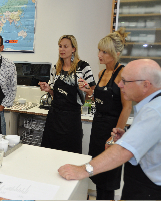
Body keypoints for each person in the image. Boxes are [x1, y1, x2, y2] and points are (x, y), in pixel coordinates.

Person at [58, 59, 161, 200]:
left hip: (150, 189)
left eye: (125, 81)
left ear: (145, 85)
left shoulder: (154, 111)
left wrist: (83, 170)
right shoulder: (152, 105)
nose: (119, 85)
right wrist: (129, 136)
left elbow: (124, 151)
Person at [78, 28, 132, 200]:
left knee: (109, 177)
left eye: (104, 52)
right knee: (98, 172)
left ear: (115, 53)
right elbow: (98, 100)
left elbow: (127, 107)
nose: (99, 55)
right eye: (99, 50)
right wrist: (88, 91)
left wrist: (115, 135)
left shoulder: (122, 74)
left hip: (112, 130)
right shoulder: (101, 73)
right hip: (98, 127)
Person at [38, 35, 96, 154]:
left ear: (73, 49)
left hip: (71, 120)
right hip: (54, 118)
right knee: (49, 154)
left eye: (65, 46)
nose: (62, 49)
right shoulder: (56, 68)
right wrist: (49, 89)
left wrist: (87, 90)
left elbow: (94, 94)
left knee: (70, 155)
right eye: (60, 46)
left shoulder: (83, 67)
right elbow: (56, 95)